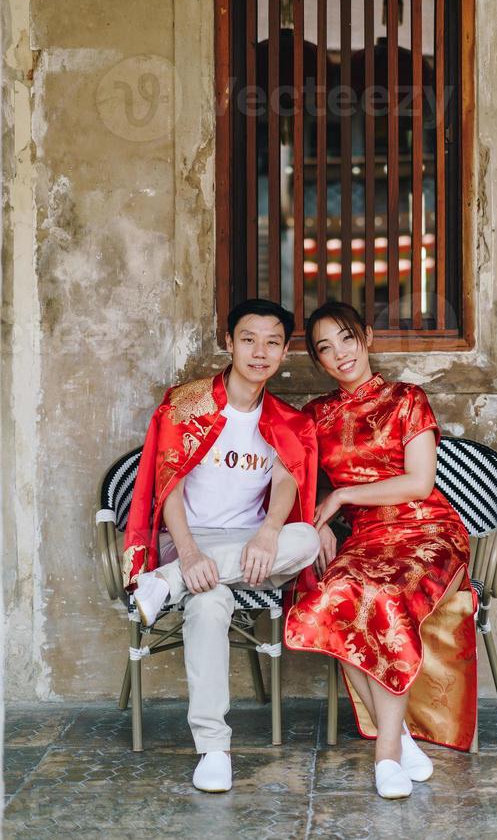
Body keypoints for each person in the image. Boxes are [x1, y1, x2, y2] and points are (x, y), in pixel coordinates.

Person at [122, 299, 320, 793]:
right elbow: (168, 487)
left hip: (254, 547)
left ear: (284, 351)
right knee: (208, 603)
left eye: (273, 342)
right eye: (248, 339)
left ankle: (162, 586)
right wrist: (187, 555)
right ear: (229, 343)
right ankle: (213, 747)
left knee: (308, 537)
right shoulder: (187, 404)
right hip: (190, 539)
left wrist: (270, 531)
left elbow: (285, 486)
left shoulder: (287, 422)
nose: (260, 351)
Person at [285, 301, 477, 800]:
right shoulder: (315, 415)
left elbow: (419, 482)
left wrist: (343, 495)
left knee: (386, 596)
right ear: (318, 361)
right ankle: (401, 738)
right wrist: (315, 524)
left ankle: (384, 756)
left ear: (367, 337)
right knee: (332, 597)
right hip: (366, 539)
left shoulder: (406, 398)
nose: (340, 354)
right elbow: (295, 481)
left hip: (427, 531)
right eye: (325, 348)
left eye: (346, 339)